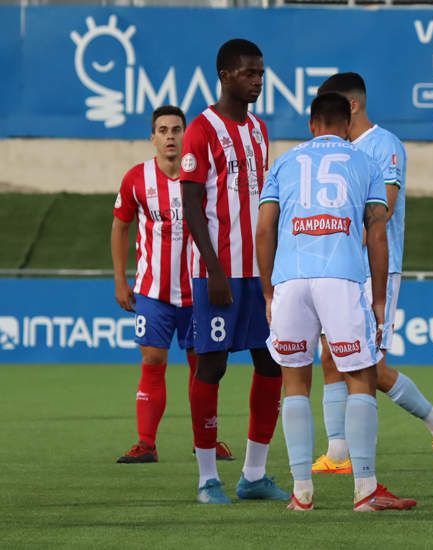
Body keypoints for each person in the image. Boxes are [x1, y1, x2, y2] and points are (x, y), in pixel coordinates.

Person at [256, 92, 416, 512]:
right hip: (341, 278)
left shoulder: (283, 162)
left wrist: (269, 290)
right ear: (348, 125)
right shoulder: (365, 162)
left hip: (290, 281)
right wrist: (378, 298)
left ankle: (302, 492)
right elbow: (378, 231)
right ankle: (365, 490)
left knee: (294, 381)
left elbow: (264, 229)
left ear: (311, 124)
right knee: (361, 375)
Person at [309, 72, 433, 475]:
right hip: (338, 269)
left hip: (376, 269)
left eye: (334, 107)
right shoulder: (334, 151)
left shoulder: (384, 145)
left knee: (369, 366)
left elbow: (383, 210)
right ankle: (339, 452)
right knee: (329, 356)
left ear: (352, 105)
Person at [180, 39, 288, 505]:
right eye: (249, 73)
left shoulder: (260, 130)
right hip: (217, 272)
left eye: (261, 73)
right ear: (225, 75)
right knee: (214, 363)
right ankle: (207, 479)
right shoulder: (201, 130)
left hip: (258, 272)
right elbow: (190, 201)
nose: (258, 81)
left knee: (271, 362)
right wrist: (213, 268)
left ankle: (254, 474)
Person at [111, 105, 233, 464]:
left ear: (185, 135)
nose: (170, 136)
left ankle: (204, 443)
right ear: (152, 138)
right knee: (152, 359)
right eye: (162, 130)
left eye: (176, 130)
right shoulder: (136, 179)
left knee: (203, 367)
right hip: (154, 291)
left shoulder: (204, 177)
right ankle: (146, 443)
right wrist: (120, 280)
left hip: (197, 291)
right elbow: (120, 227)